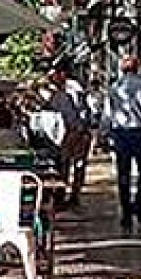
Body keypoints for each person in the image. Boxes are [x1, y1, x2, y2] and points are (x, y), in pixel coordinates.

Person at [101, 54, 141, 234]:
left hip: (120, 134)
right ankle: (138, 205)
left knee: (123, 174)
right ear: (137, 69)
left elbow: (107, 114)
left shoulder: (114, 88)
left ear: (122, 69)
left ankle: (126, 212)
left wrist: (103, 133)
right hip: (140, 133)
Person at [49, 65, 92, 209]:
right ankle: (63, 194)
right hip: (68, 131)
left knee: (74, 164)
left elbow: (82, 110)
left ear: (62, 74)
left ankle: (73, 195)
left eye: (54, 75)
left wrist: (79, 128)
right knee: (65, 164)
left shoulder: (72, 89)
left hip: (74, 131)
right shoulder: (59, 91)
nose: (52, 78)